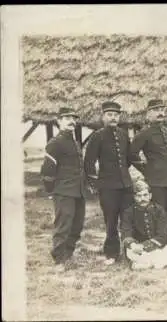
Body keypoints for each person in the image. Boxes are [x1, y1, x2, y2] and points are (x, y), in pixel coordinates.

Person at [84, 101, 137, 265]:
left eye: (116, 115)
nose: (113, 118)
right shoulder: (97, 136)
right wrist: (95, 183)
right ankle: (112, 253)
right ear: (103, 117)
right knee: (111, 221)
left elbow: (127, 159)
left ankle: (130, 252)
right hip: (108, 187)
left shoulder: (122, 134)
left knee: (128, 219)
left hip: (126, 185)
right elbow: (89, 162)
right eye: (110, 115)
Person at [40, 107, 87, 272]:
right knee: (63, 226)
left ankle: (68, 255)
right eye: (67, 118)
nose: (71, 121)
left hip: (78, 191)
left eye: (73, 118)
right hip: (63, 191)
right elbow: (47, 170)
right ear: (58, 121)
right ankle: (59, 260)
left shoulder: (74, 142)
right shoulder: (55, 143)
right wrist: (51, 191)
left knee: (77, 225)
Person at [120, 180, 167, 270]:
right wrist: (133, 245)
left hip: (157, 248)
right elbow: (126, 232)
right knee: (130, 252)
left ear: (150, 196)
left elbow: (161, 236)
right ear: (134, 197)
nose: (142, 198)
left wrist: (144, 246)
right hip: (138, 250)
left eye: (145, 195)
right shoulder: (128, 212)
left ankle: (147, 264)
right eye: (139, 196)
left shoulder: (158, 210)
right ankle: (164, 262)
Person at [130, 99, 167, 212]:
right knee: (159, 211)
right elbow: (132, 155)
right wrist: (146, 170)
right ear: (149, 113)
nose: (160, 113)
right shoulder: (144, 133)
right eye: (156, 110)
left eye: (162, 110)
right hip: (156, 181)